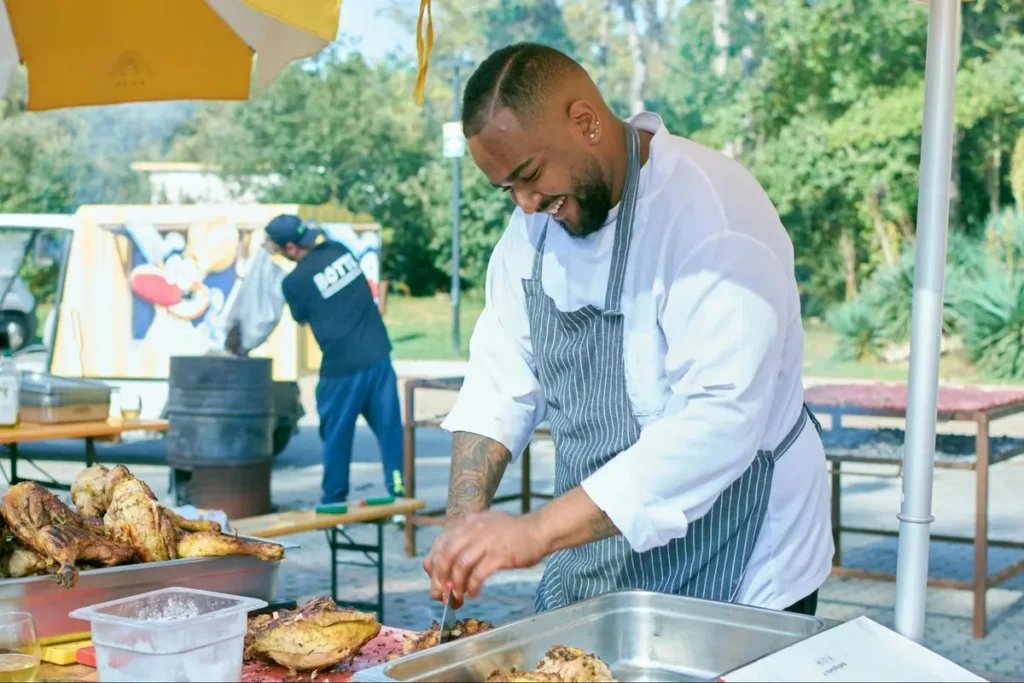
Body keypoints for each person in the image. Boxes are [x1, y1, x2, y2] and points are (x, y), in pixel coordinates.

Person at [424, 43, 834, 617]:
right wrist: (463, 526)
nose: (524, 204)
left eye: (529, 176)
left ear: (586, 122)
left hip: (738, 563)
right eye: (506, 190)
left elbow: (718, 424)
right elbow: (499, 384)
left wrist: (538, 530)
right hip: (598, 552)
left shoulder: (714, 219)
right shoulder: (531, 230)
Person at [263, 214, 404, 504]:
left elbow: (302, 318)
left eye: (275, 247)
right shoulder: (338, 250)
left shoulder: (294, 283)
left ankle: (334, 503)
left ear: (290, 248)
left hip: (341, 369)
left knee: (336, 439)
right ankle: (400, 496)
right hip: (378, 357)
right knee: (391, 434)